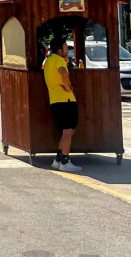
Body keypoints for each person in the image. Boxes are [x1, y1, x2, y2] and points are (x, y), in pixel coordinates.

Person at [43, 36, 81, 172]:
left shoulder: (48, 60)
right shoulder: (59, 60)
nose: (68, 50)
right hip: (66, 100)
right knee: (68, 131)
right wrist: (67, 86)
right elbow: (63, 71)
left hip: (55, 100)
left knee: (68, 131)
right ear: (59, 50)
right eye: (65, 48)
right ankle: (65, 161)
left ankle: (58, 159)